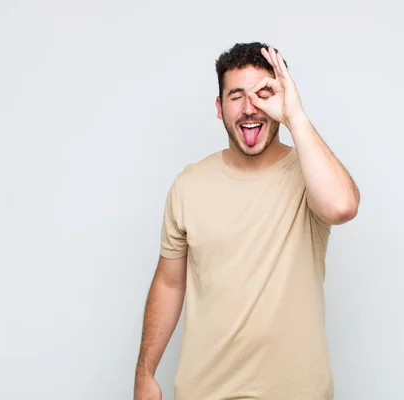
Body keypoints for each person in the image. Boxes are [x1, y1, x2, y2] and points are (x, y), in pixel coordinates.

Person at [134, 42, 360, 400]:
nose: (250, 107)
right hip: (204, 391)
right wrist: (145, 372)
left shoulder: (308, 174)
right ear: (219, 108)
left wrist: (295, 116)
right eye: (236, 95)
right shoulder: (188, 186)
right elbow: (169, 284)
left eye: (263, 93)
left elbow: (343, 207)